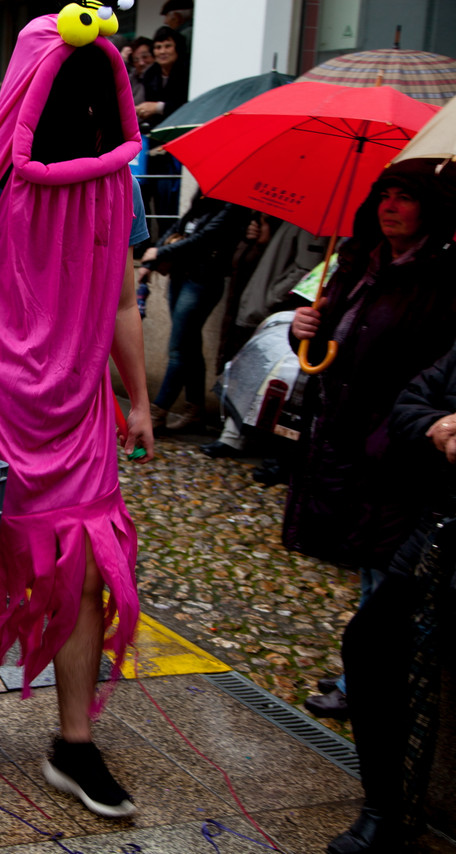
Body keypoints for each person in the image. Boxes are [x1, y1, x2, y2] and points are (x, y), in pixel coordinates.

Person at [0, 14, 154, 818]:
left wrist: (138, 399)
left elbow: (122, 302)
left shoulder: (117, 185)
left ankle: (74, 745)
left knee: (85, 572)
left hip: (78, 413)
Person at [287, 160, 456, 720]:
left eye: (405, 197)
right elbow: (330, 352)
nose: (389, 206)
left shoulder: (439, 280)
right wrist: (303, 331)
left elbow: (431, 373)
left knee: (388, 573)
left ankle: (375, 685)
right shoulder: (358, 263)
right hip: (345, 440)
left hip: (396, 448)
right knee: (366, 561)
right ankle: (362, 675)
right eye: (384, 194)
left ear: (430, 208)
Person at [322, 344, 456, 854]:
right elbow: (409, 403)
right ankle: (385, 807)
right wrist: (439, 426)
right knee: (370, 643)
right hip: (439, 530)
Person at [139, 194, 250, 432]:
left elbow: (204, 238)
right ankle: (195, 410)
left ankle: (157, 412)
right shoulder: (201, 201)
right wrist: (150, 262)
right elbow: (176, 228)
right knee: (190, 346)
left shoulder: (231, 205)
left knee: (179, 348)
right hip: (181, 276)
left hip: (203, 280)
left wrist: (159, 254)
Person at [136, 26, 189, 129]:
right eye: (158, 47)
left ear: (178, 48)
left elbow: (187, 105)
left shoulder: (187, 71)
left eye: (168, 46)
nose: (162, 52)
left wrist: (158, 107)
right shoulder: (150, 74)